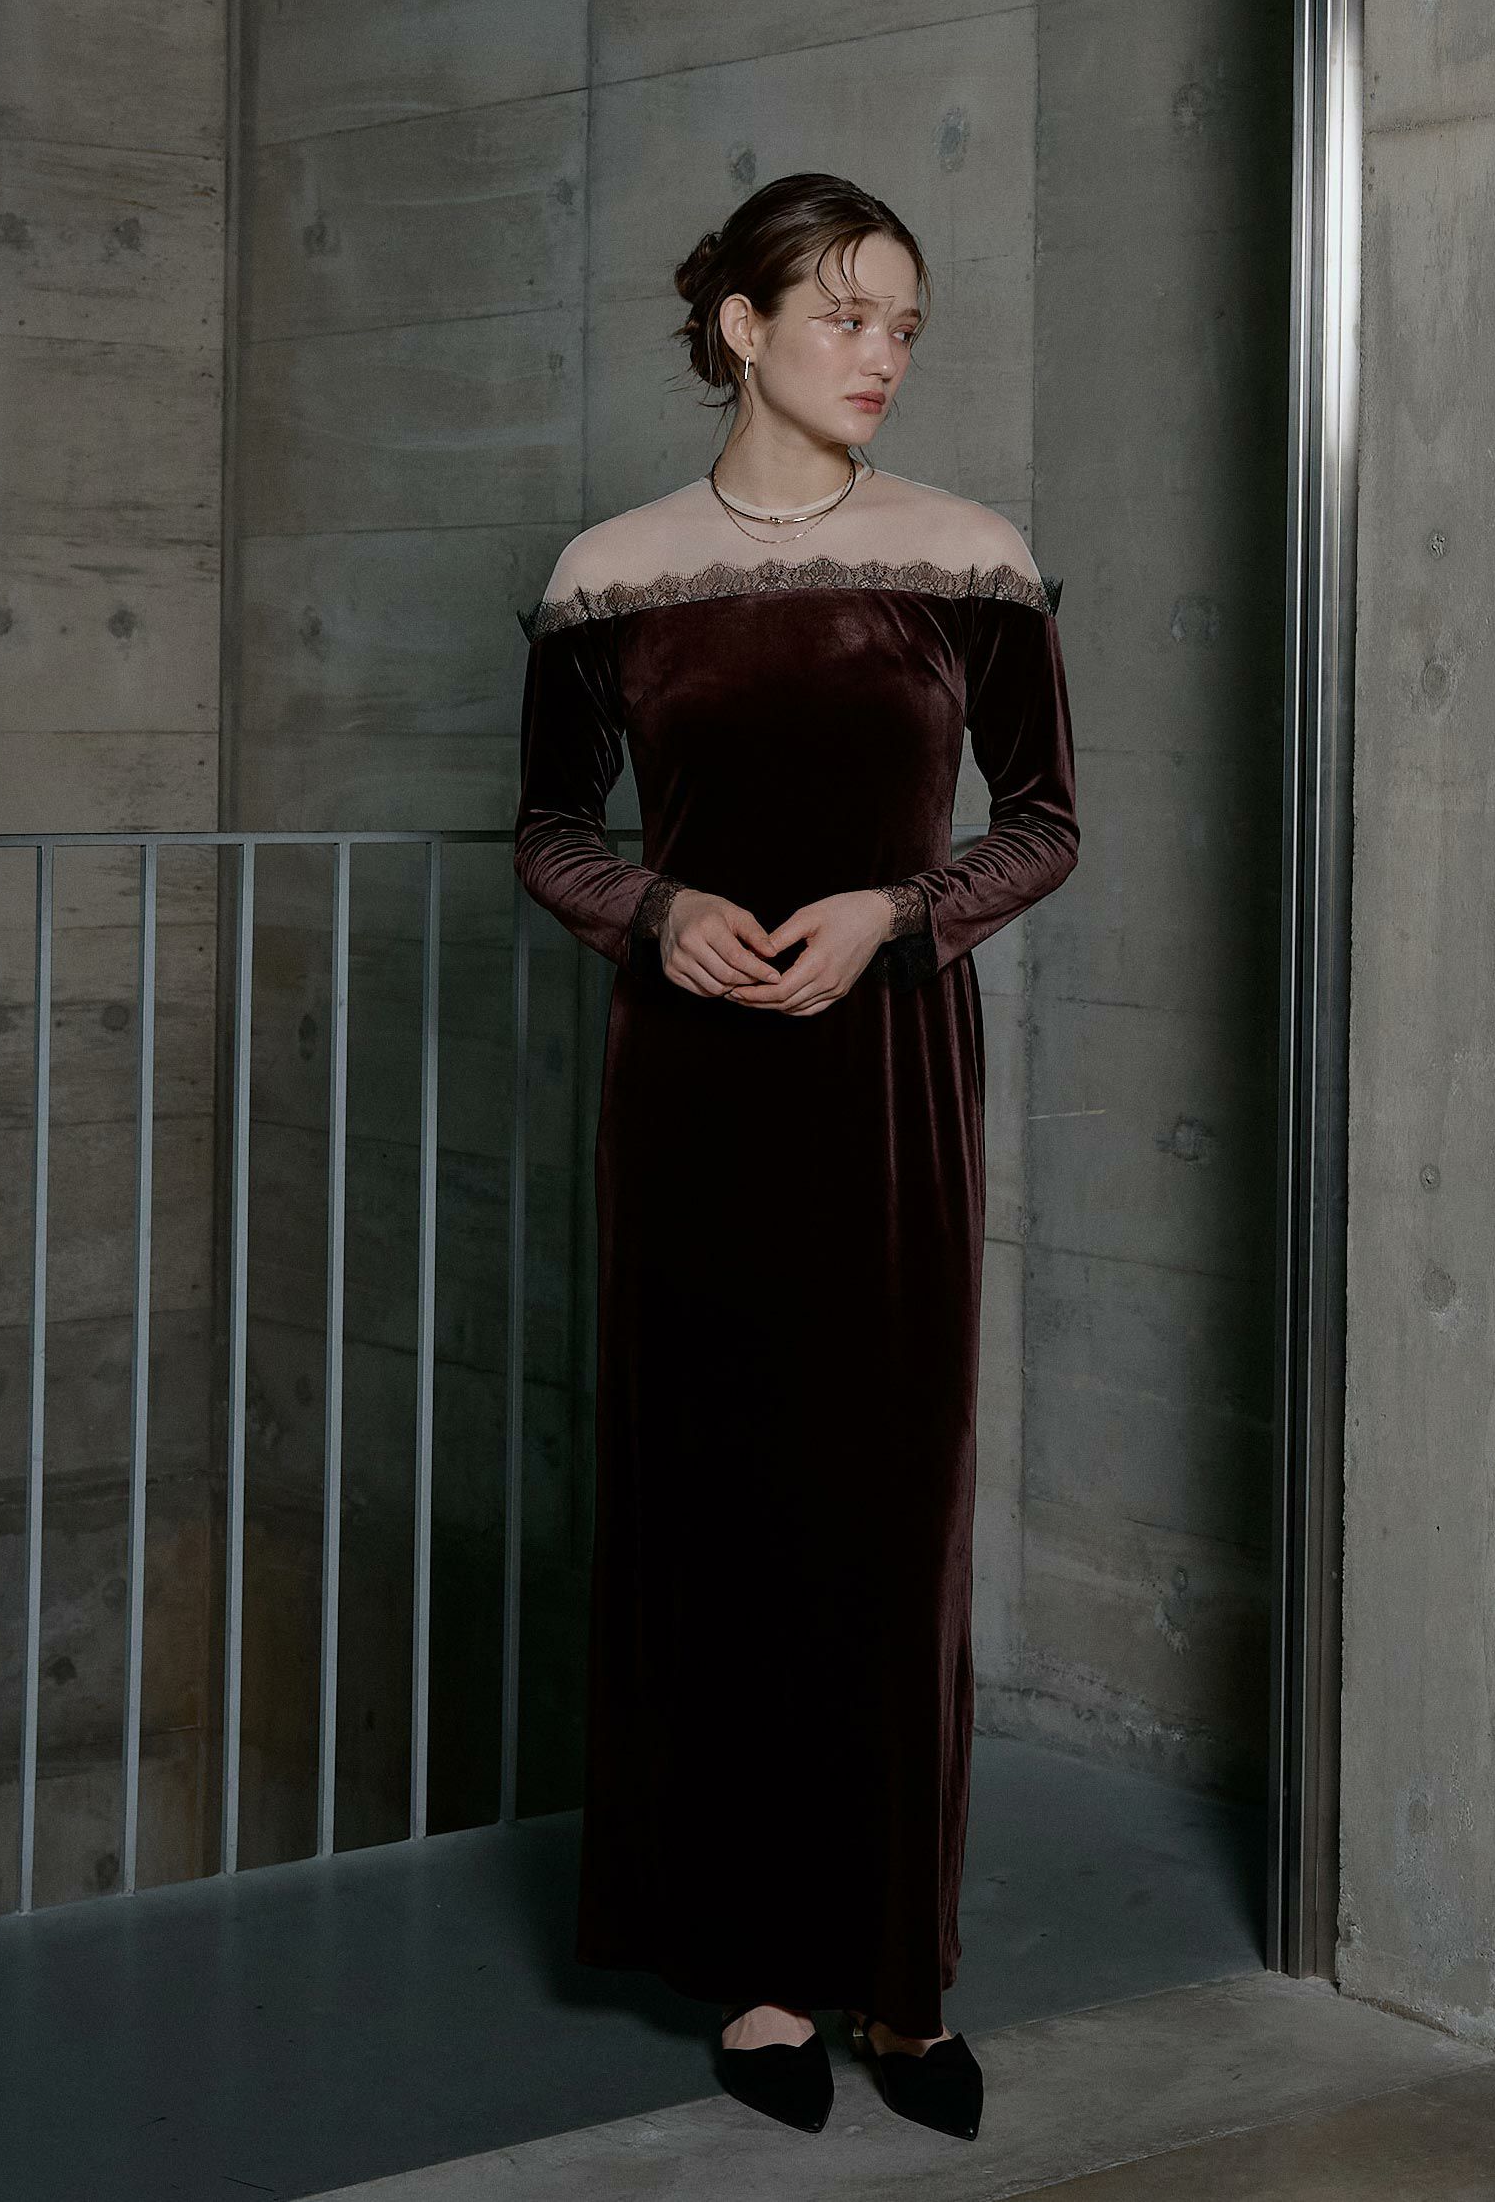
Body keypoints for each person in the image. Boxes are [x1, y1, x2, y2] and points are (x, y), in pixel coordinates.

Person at [512, 172, 1079, 2143]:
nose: (881, 353)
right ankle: (756, 1968)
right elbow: (547, 831)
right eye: (844, 314)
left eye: (903, 322)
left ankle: (897, 1984)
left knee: (886, 1512)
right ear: (741, 329)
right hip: (688, 1090)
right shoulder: (610, 572)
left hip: (887, 1079)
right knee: (715, 1503)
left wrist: (900, 917)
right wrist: (651, 912)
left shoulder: (968, 556)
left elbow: (1044, 823)